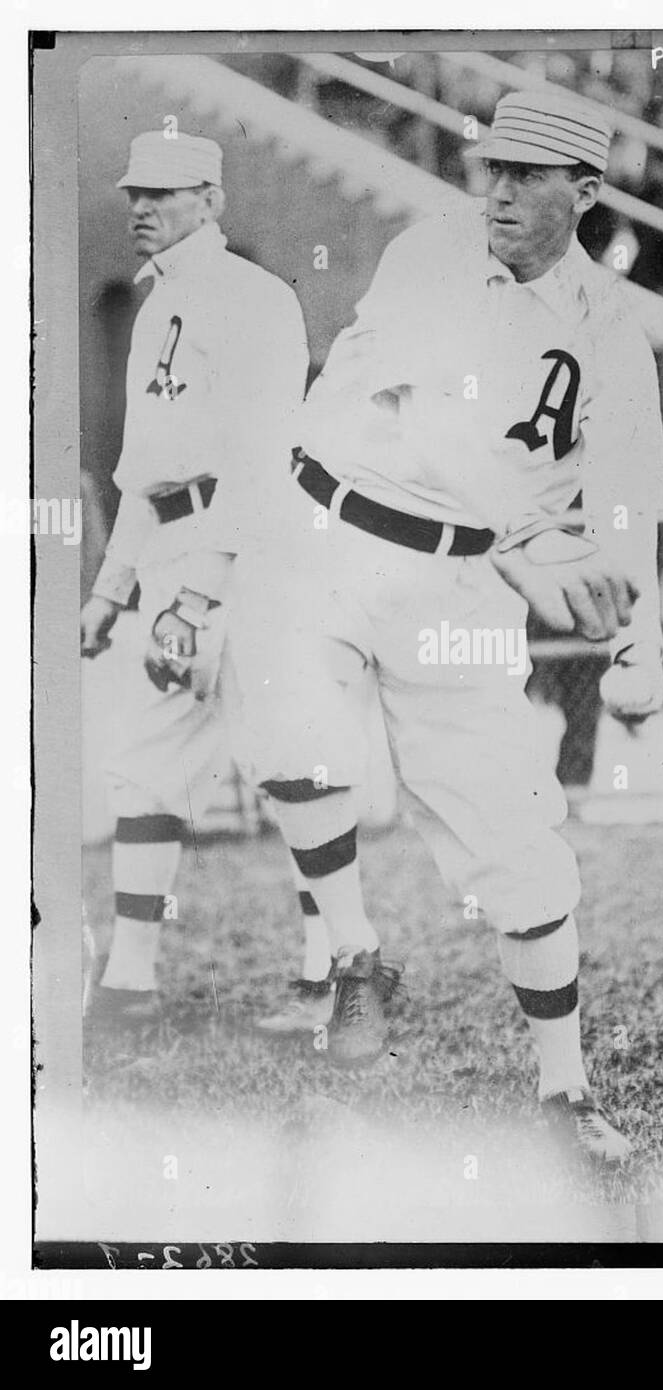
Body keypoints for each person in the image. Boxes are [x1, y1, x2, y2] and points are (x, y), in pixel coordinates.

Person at [237, 89, 663, 1162]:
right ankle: (353, 956)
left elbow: (622, 500)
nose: (498, 189)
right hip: (324, 529)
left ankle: (563, 1096)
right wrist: (532, 540)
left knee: (515, 847)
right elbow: (428, 417)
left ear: (585, 191)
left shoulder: (613, 332)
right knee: (290, 741)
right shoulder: (431, 251)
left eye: (527, 174)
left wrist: (639, 640)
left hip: (459, 585)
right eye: (490, 166)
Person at [80, 131, 335, 1034]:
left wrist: (198, 599)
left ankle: (327, 979)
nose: (141, 208)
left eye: (164, 193)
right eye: (133, 193)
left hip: (252, 555)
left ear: (212, 200)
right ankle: (129, 987)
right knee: (145, 772)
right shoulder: (154, 308)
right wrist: (114, 592)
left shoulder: (258, 299)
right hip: (172, 553)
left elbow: (264, 462)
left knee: (292, 768)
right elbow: (144, 473)